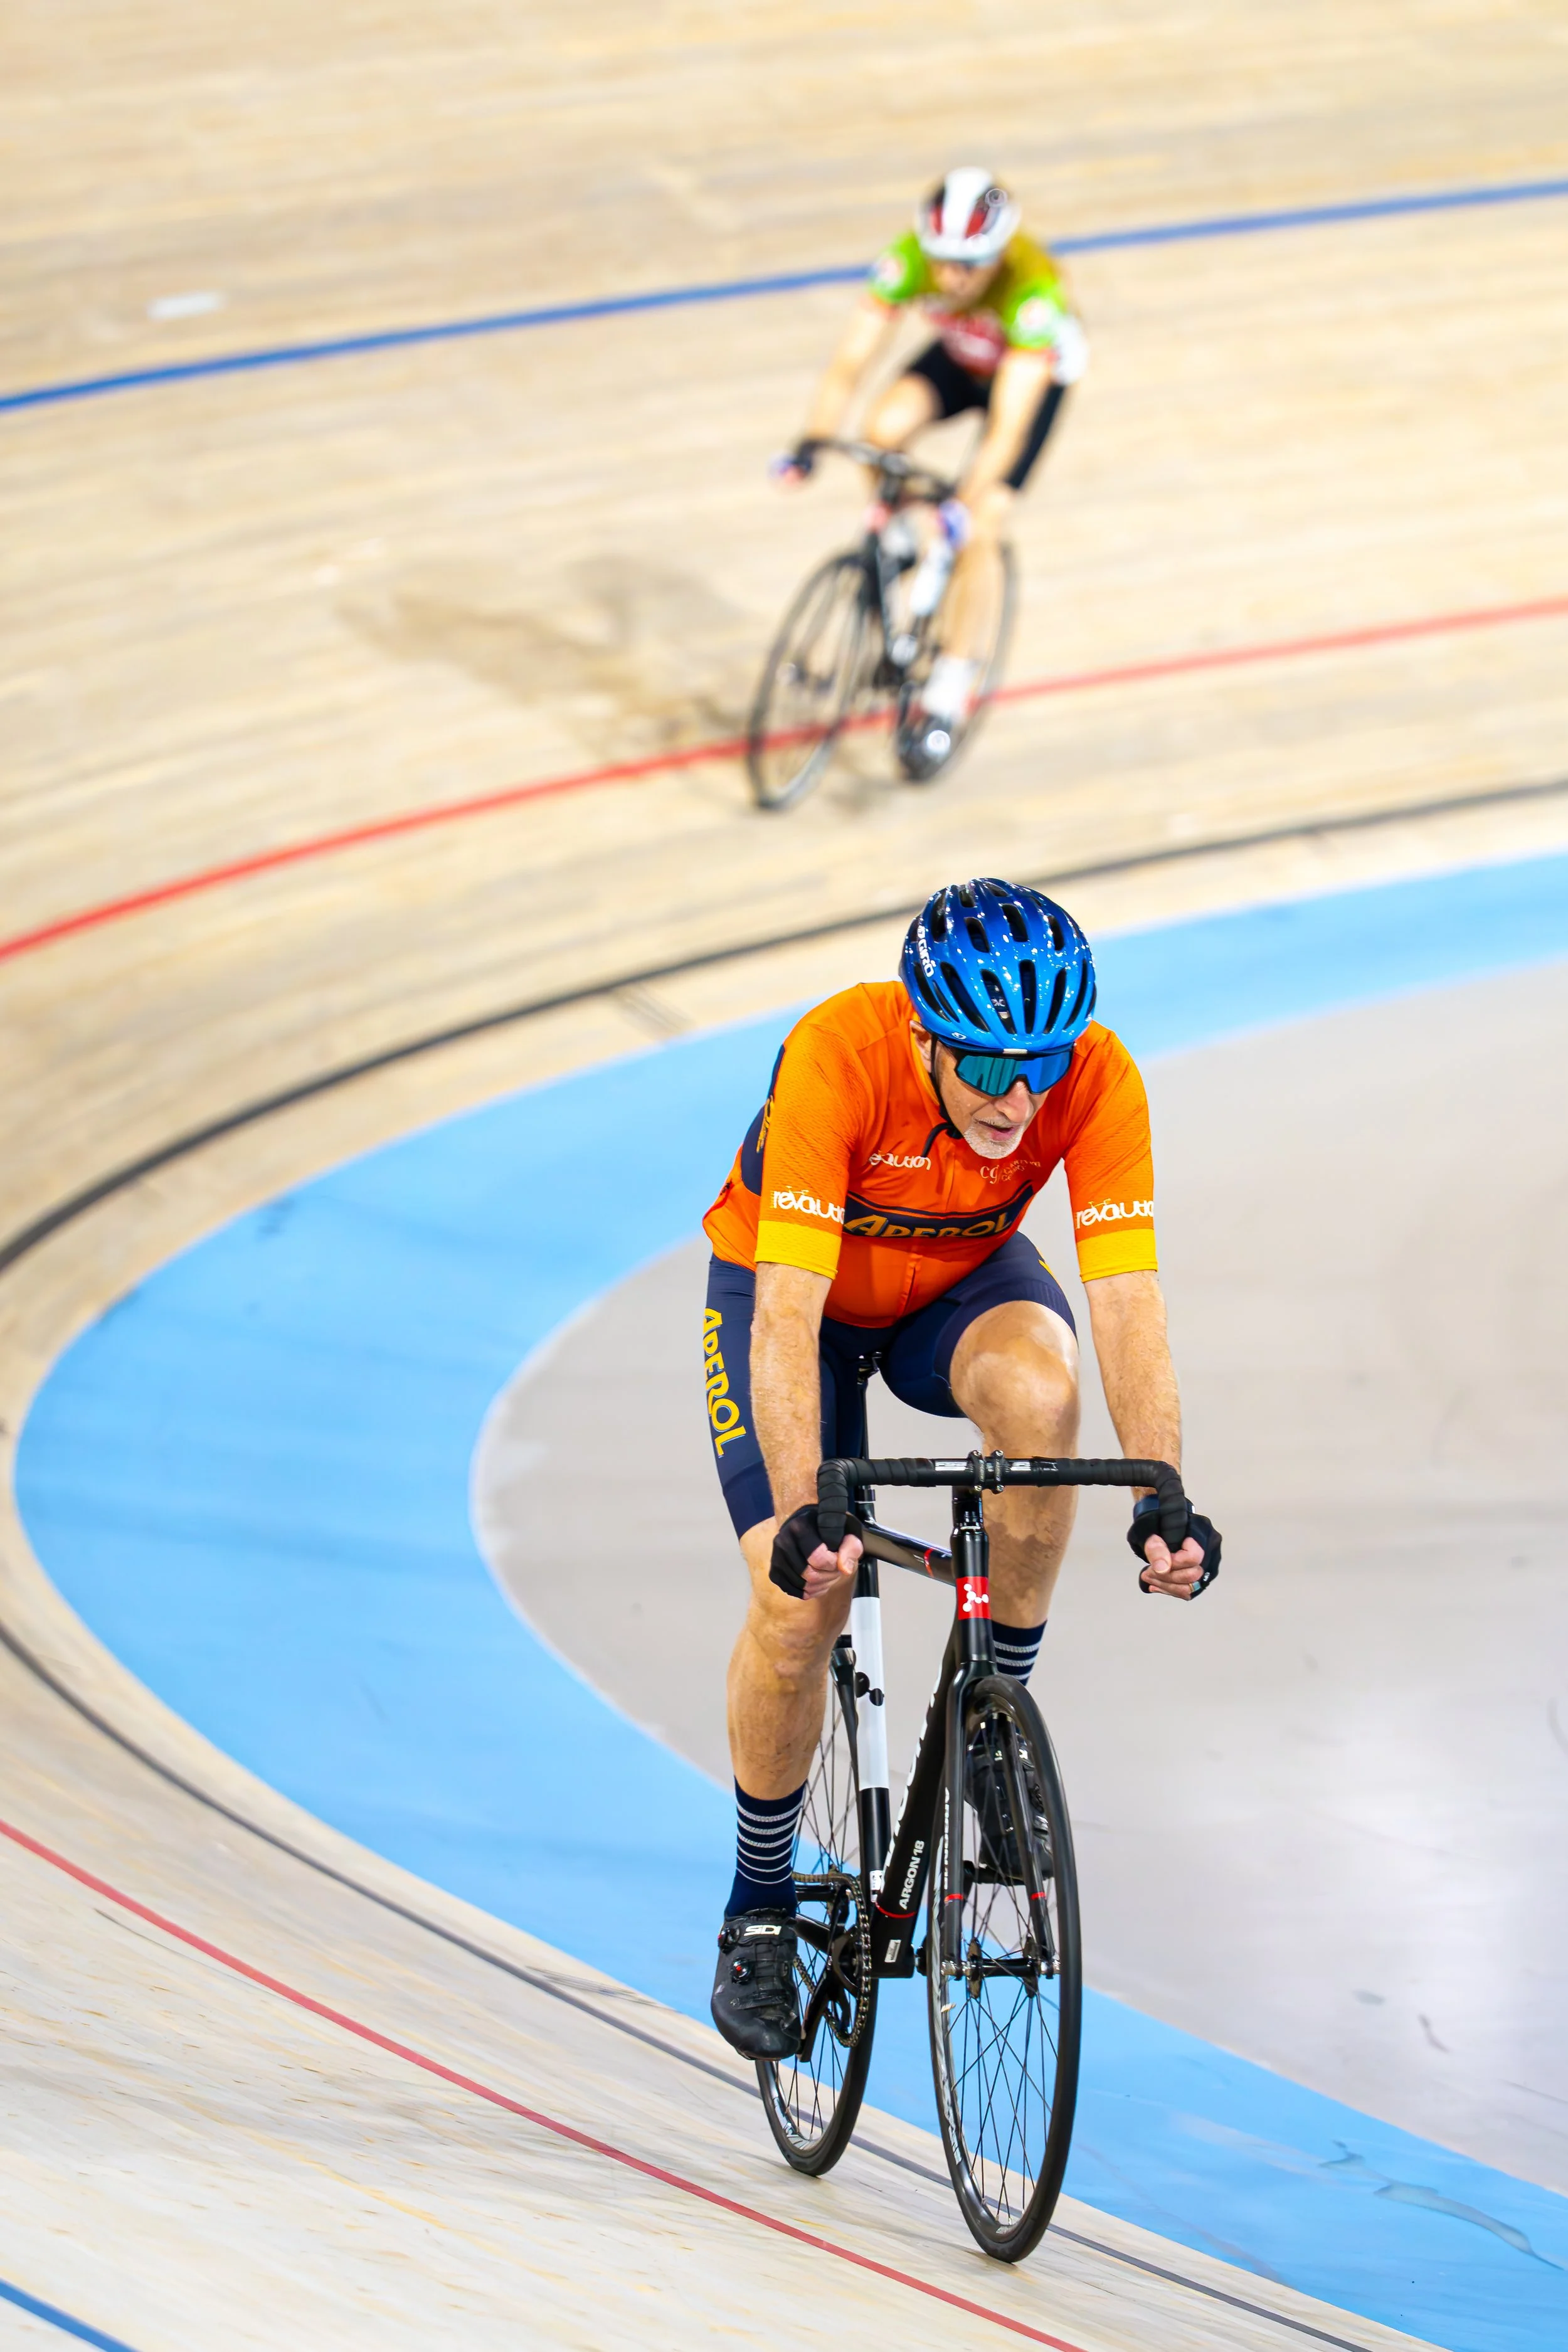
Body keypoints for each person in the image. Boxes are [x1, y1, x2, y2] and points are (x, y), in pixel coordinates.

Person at [701, 877, 1219, 2057]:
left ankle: (992, 1724)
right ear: (926, 1038)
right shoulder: (840, 1051)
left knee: (1045, 1403)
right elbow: (785, 1312)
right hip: (799, 1302)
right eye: (985, 1068)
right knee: (801, 1603)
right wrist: (801, 1512)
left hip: (957, 1292)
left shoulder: (1096, 1079)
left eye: (1040, 1064)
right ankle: (761, 1909)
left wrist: (1163, 1489)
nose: (1016, 1097)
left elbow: (1127, 1299)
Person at [773, 167, 1087, 771]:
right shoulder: (907, 260)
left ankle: (950, 682)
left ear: (999, 257)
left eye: (970, 265)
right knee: (881, 433)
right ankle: (897, 537)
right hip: (964, 356)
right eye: (943, 261)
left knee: (982, 523)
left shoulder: (1035, 291)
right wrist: (812, 440)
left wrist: (959, 509)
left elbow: (1007, 430)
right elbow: (850, 363)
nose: (951, 277)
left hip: (1029, 376)